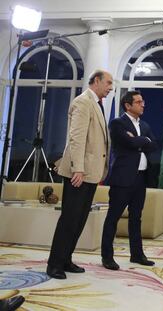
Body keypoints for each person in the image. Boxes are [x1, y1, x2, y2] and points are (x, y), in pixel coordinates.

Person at [46, 69, 112, 279]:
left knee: (79, 219)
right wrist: (78, 169)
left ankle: (66, 259)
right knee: (70, 219)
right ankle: (54, 264)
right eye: (108, 83)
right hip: (80, 172)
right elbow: (76, 138)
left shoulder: (97, 104)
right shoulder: (83, 102)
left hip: (90, 173)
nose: (111, 87)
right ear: (96, 81)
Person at [101, 90, 157, 270]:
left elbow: (154, 144)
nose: (143, 104)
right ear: (128, 105)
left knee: (136, 218)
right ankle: (107, 257)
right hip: (122, 178)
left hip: (141, 178)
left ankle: (137, 254)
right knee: (113, 217)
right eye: (139, 102)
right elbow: (130, 143)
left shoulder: (146, 125)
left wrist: (140, 139)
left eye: (143, 101)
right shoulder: (117, 123)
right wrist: (143, 141)